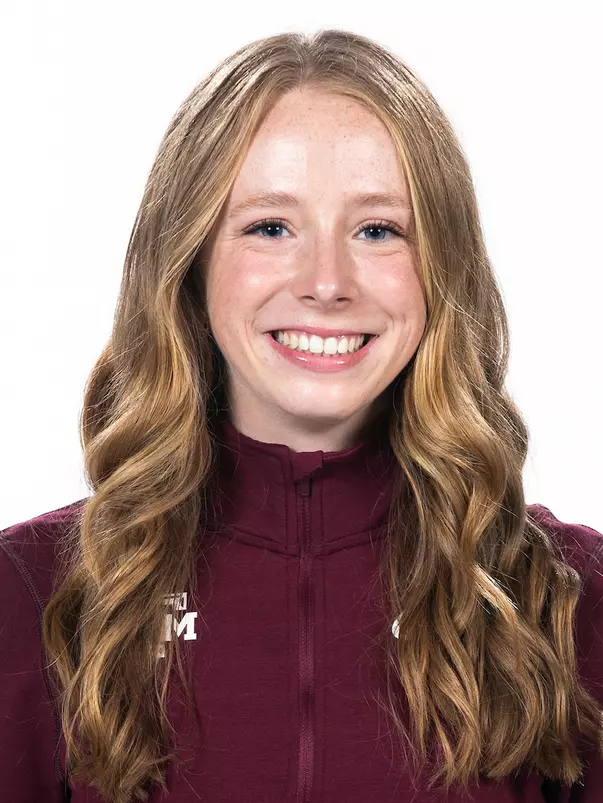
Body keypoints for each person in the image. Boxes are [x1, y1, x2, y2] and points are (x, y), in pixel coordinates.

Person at [0, 28, 601, 803]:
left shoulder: (567, 599)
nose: (326, 281)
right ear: (189, 262)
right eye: (269, 227)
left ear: (440, 268)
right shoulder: (37, 594)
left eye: (377, 229)